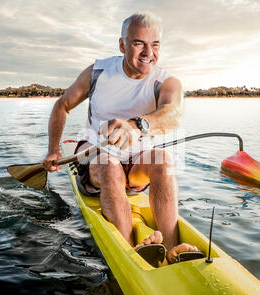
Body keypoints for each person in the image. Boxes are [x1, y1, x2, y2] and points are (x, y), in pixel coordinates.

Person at [42, 12, 201, 264]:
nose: (148, 52)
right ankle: (130, 253)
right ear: (122, 45)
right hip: (95, 157)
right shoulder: (98, 72)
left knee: (163, 159)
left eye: (155, 45)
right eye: (139, 43)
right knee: (108, 164)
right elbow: (62, 105)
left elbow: (173, 114)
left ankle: (171, 248)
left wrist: (137, 125)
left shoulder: (166, 82)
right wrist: (53, 149)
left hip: (137, 162)